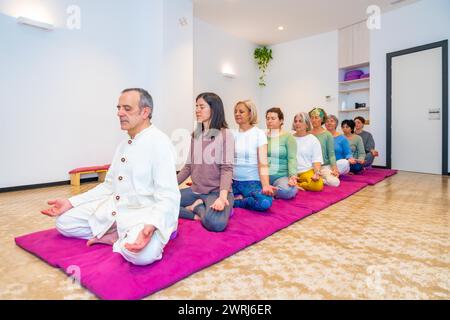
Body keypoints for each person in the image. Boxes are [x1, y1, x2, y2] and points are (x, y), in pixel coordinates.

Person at [41, 88, 180, 266]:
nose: (119, 113)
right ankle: (117, 234)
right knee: (64, 223)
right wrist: (71, 202)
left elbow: (169, 195)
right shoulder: (123, 145)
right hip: (117, 208)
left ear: (145, 112)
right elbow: (109, 186)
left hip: (145, 214)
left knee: (143, 256)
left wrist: (154, 223)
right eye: (119, 108)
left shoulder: (159, 143)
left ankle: (119, 236)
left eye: (127, 108)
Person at [177, 92, 234, 232]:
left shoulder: (226, 135)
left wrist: (222, 198)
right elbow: (188, 167)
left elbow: (227, 169)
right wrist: (170, 186)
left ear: (213, 109)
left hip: (216, 192)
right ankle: (197, 209)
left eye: (201, 107)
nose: (197, 110)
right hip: (195, 190)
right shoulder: (196, 134)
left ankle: (197, 208)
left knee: (216, 224)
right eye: (196, 106)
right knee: (160, 204)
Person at [232, 100, 276, 211]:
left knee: (265, 202)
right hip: (232, 182)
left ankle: (237, 201)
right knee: (214, 197)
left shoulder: (259, 134)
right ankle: (239, 199)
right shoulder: (232, 134)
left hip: (252, 182)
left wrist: (265, 185)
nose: (237, 114)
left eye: (241, 111)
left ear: (250, 114)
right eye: (235, 111)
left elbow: (263, 162)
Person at [265, 107, 298, 199]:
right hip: (263, 177)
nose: (269, 121)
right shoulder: (262, 136)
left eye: (273, 118)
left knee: (288, 191)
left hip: (280, 177)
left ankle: (269, 192)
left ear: (281, 120)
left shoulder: (288, 137)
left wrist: (292, 176)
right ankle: (268, 190)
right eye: (268, 118)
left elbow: (292, 158)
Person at [292, 112, 324, 191]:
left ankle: (299, 184)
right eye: (295, 121)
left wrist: (316, 173)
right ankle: (298, 184)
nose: (297, 123)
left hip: (306, 171)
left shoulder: (313, 140)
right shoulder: (289, 138)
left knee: (318, 185)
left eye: (300, 121)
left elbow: (316, 161)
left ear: (306, 124)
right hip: (291, 172)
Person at [309, 107, 340, 187]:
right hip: (309, 167)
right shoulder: (307, 134)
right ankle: (316, 179)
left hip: (324, 166)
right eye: (312, 118)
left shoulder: (327, 135)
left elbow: (331, 154)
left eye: (316, 117)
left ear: (322, 119)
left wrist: (334, 168)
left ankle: (320, 180)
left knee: (335, 182)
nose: (313, 120)